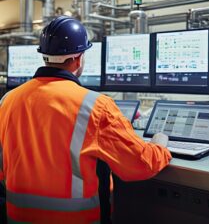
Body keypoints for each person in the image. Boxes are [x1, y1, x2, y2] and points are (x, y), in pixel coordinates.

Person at [0, 16, 171, 223]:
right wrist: (159, 144)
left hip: (17, 218)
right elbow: (140, 164)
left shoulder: (8, 100)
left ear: (44, 57)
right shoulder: (95, 105)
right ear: (79, 59)